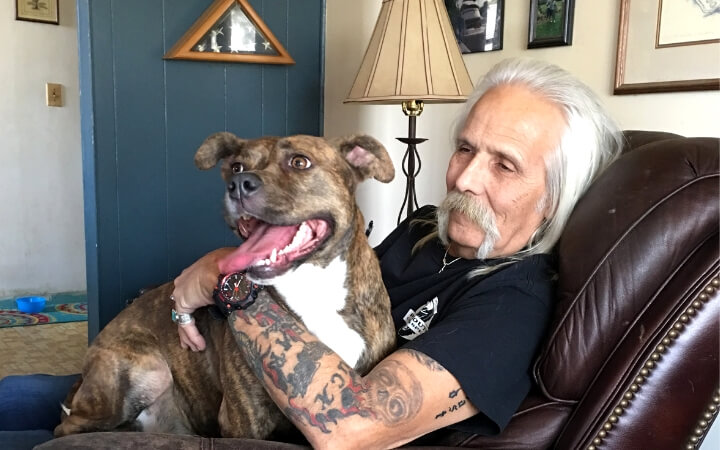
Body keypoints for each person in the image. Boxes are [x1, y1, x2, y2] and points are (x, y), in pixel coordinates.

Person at [0, 58, 622, 449]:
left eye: (504, 165)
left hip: (234, 417)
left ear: (555, 195)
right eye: (465, 148)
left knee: (59, 437)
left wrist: (225, 276)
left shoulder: (513, 301)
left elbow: (353, 429)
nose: (464, 177)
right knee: (27, 391)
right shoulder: (427, 229)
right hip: (175, 369)